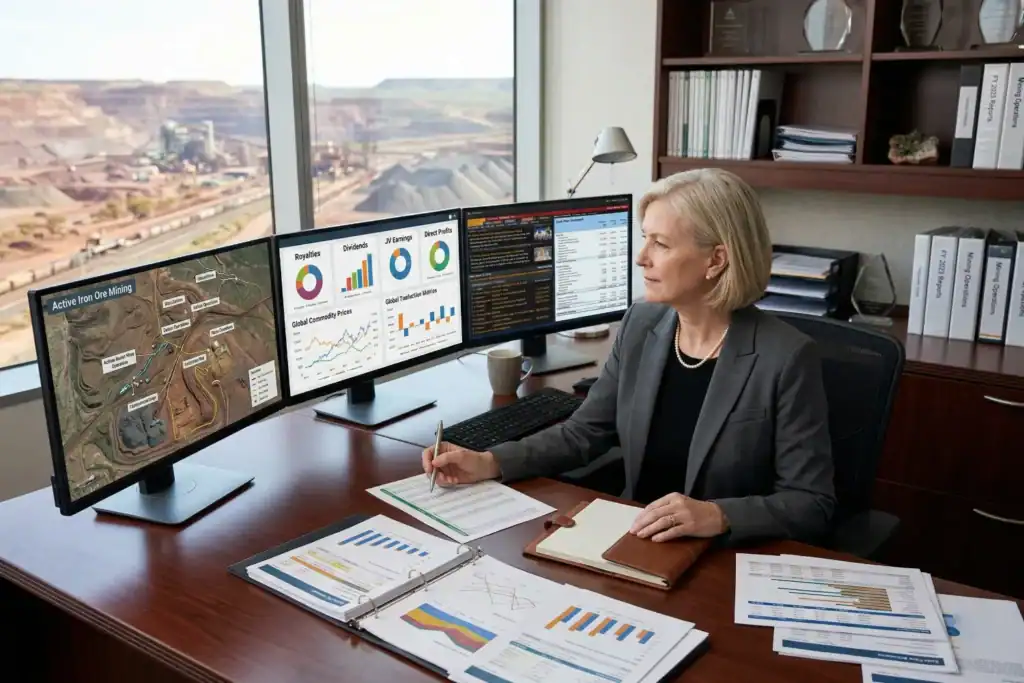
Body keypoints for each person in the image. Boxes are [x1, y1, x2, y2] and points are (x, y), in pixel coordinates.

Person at [423, 168, 836, 545]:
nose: (642, 257)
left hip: (719, 556)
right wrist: (488, 462)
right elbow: (582, 434)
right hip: (632, 540)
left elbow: (811, 503)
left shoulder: (786, 357)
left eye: (661, 243)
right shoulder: (642, 323)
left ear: (716, 260)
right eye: (645, 238)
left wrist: (718, 514)